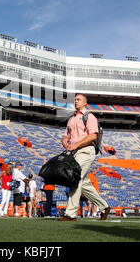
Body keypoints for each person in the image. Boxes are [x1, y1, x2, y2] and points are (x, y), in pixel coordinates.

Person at [59, 93, 110, 221]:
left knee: (75, 178)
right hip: (75, 152)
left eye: (78, 99)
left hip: (86, 150)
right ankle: (104, 206)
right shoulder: (72, 118)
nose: (75, 101)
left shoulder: (89, 116)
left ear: (85, 103)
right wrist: (64, 140)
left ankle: (70, 214)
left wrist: (75, 144)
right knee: (84, 183)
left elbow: (93, 136)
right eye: (75, 99)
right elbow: (66, 134)